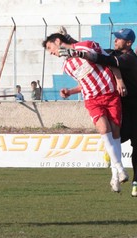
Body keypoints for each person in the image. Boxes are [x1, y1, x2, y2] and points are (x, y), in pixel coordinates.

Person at [42, 33, 129, 192]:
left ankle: (115, 175)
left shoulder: (87, 45)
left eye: (50, 47)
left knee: (116, 132)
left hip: (110, 94)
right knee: (104, 129)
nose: (50, 52)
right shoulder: (67, 66)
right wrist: (70, 91)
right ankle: (120, 168)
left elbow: (110, 62)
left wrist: (119, 81)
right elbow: (85, 83)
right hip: (92, 100)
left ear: (57, 41)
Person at [65, 28, 137, 196]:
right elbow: (91, 51)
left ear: (129, 43)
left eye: (119, 39)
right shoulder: (114, 53)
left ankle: (135, 182)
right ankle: (116, 171)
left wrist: (82, 55)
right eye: (116, 38)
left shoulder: (129, 58)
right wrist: (69, 41)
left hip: (134, 109)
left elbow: (102, 58)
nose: (115, 40)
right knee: (114, 139)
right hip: (119, 106)